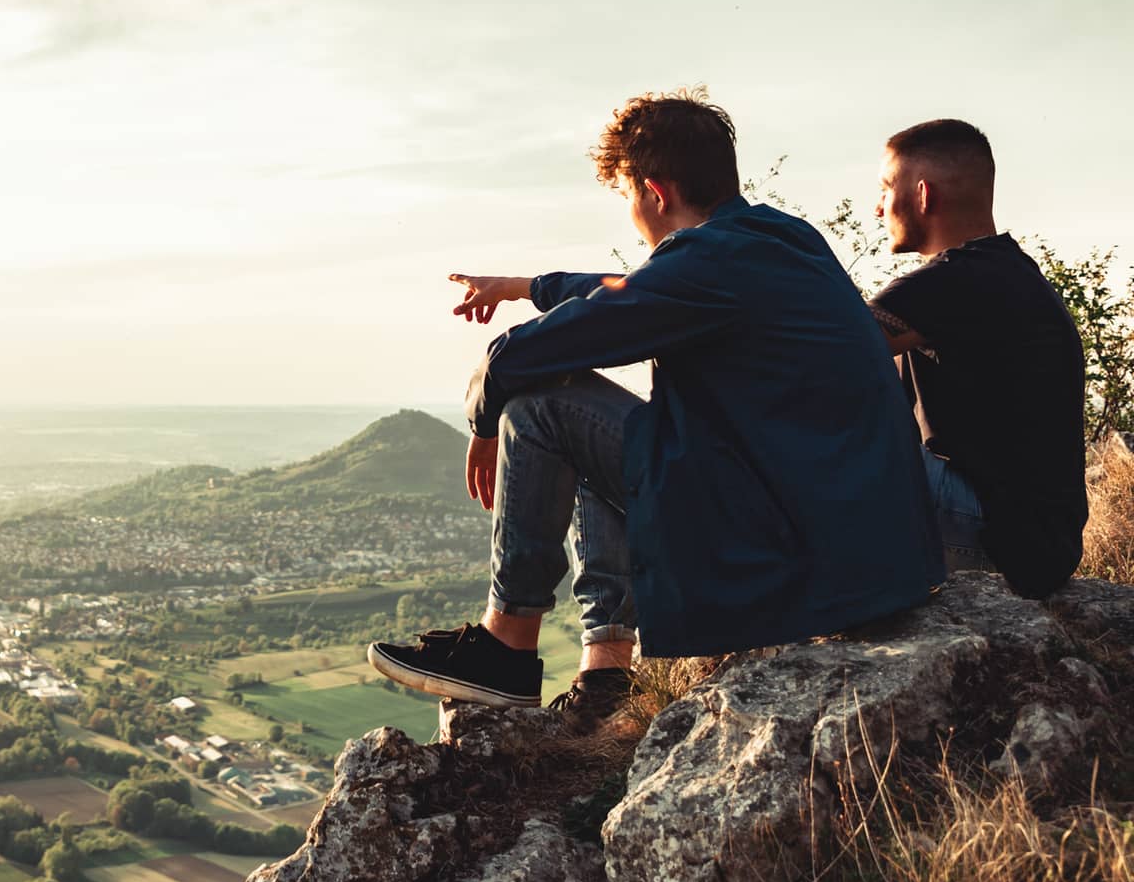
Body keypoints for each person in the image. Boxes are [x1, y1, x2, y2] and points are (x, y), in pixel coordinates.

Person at [368, 91, 944, 733]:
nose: (632, 218)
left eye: (627, 200)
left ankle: (506, 649)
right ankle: (608, 670)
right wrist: (527, 287)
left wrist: (482, 423)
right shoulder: (778, 238)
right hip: (864, 549)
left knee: (543, 404)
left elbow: (522, 356)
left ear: (654, 191)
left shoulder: (709, 262)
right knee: (627, 432)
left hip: (800, 555)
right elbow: (633, 291)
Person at [868, 119, 1088, 596]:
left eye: (886, 188)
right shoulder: (1001, 272)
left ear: (924, 195)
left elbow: (821, 347)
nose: (878, 207)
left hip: (998, 536)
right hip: (1034, 541)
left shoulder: (958, 279)